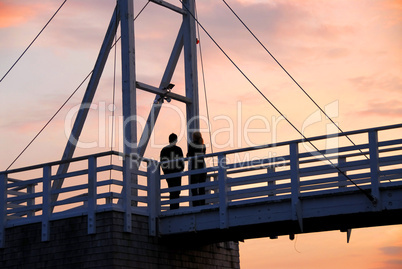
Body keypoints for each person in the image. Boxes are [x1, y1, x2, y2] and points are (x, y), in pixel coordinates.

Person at [160, 133, 184, 210]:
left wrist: (166, 172)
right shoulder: (178, 150)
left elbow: (162, 163)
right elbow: (182, 163)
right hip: (177, 173)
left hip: (169, 173)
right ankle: (176, 207)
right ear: (176, 140)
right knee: (177, 191)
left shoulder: (164, 150)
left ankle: (173, 208)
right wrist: (180, 170)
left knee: (171, 190)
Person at [187, 131, 207, 207]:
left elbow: (190, 155)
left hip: (195, 166)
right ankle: (202, 203)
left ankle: (196, 204)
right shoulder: (203, 145)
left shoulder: (192, 145)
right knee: (202, 187)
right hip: (202, 166)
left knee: (194, 187)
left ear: (194, 137)